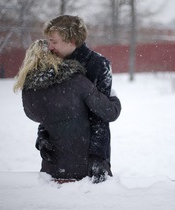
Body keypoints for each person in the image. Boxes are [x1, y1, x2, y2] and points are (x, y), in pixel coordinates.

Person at [13, 39, 121, 182]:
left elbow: (44, 119)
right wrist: (113, 97)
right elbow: (109, 112)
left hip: (52, 169)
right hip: (85, 168)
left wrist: (42, 138)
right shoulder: (75, 81)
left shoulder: (30, 91)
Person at [37, 15, 115, 183]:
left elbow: (100, 116)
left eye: (54, 42)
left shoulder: (98, 64)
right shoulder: (52, 64)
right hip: (56, 156)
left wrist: (98, 156)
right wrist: (42, 138)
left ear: (71, 40)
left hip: (88, 155)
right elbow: (48, 110)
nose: (49, 47)